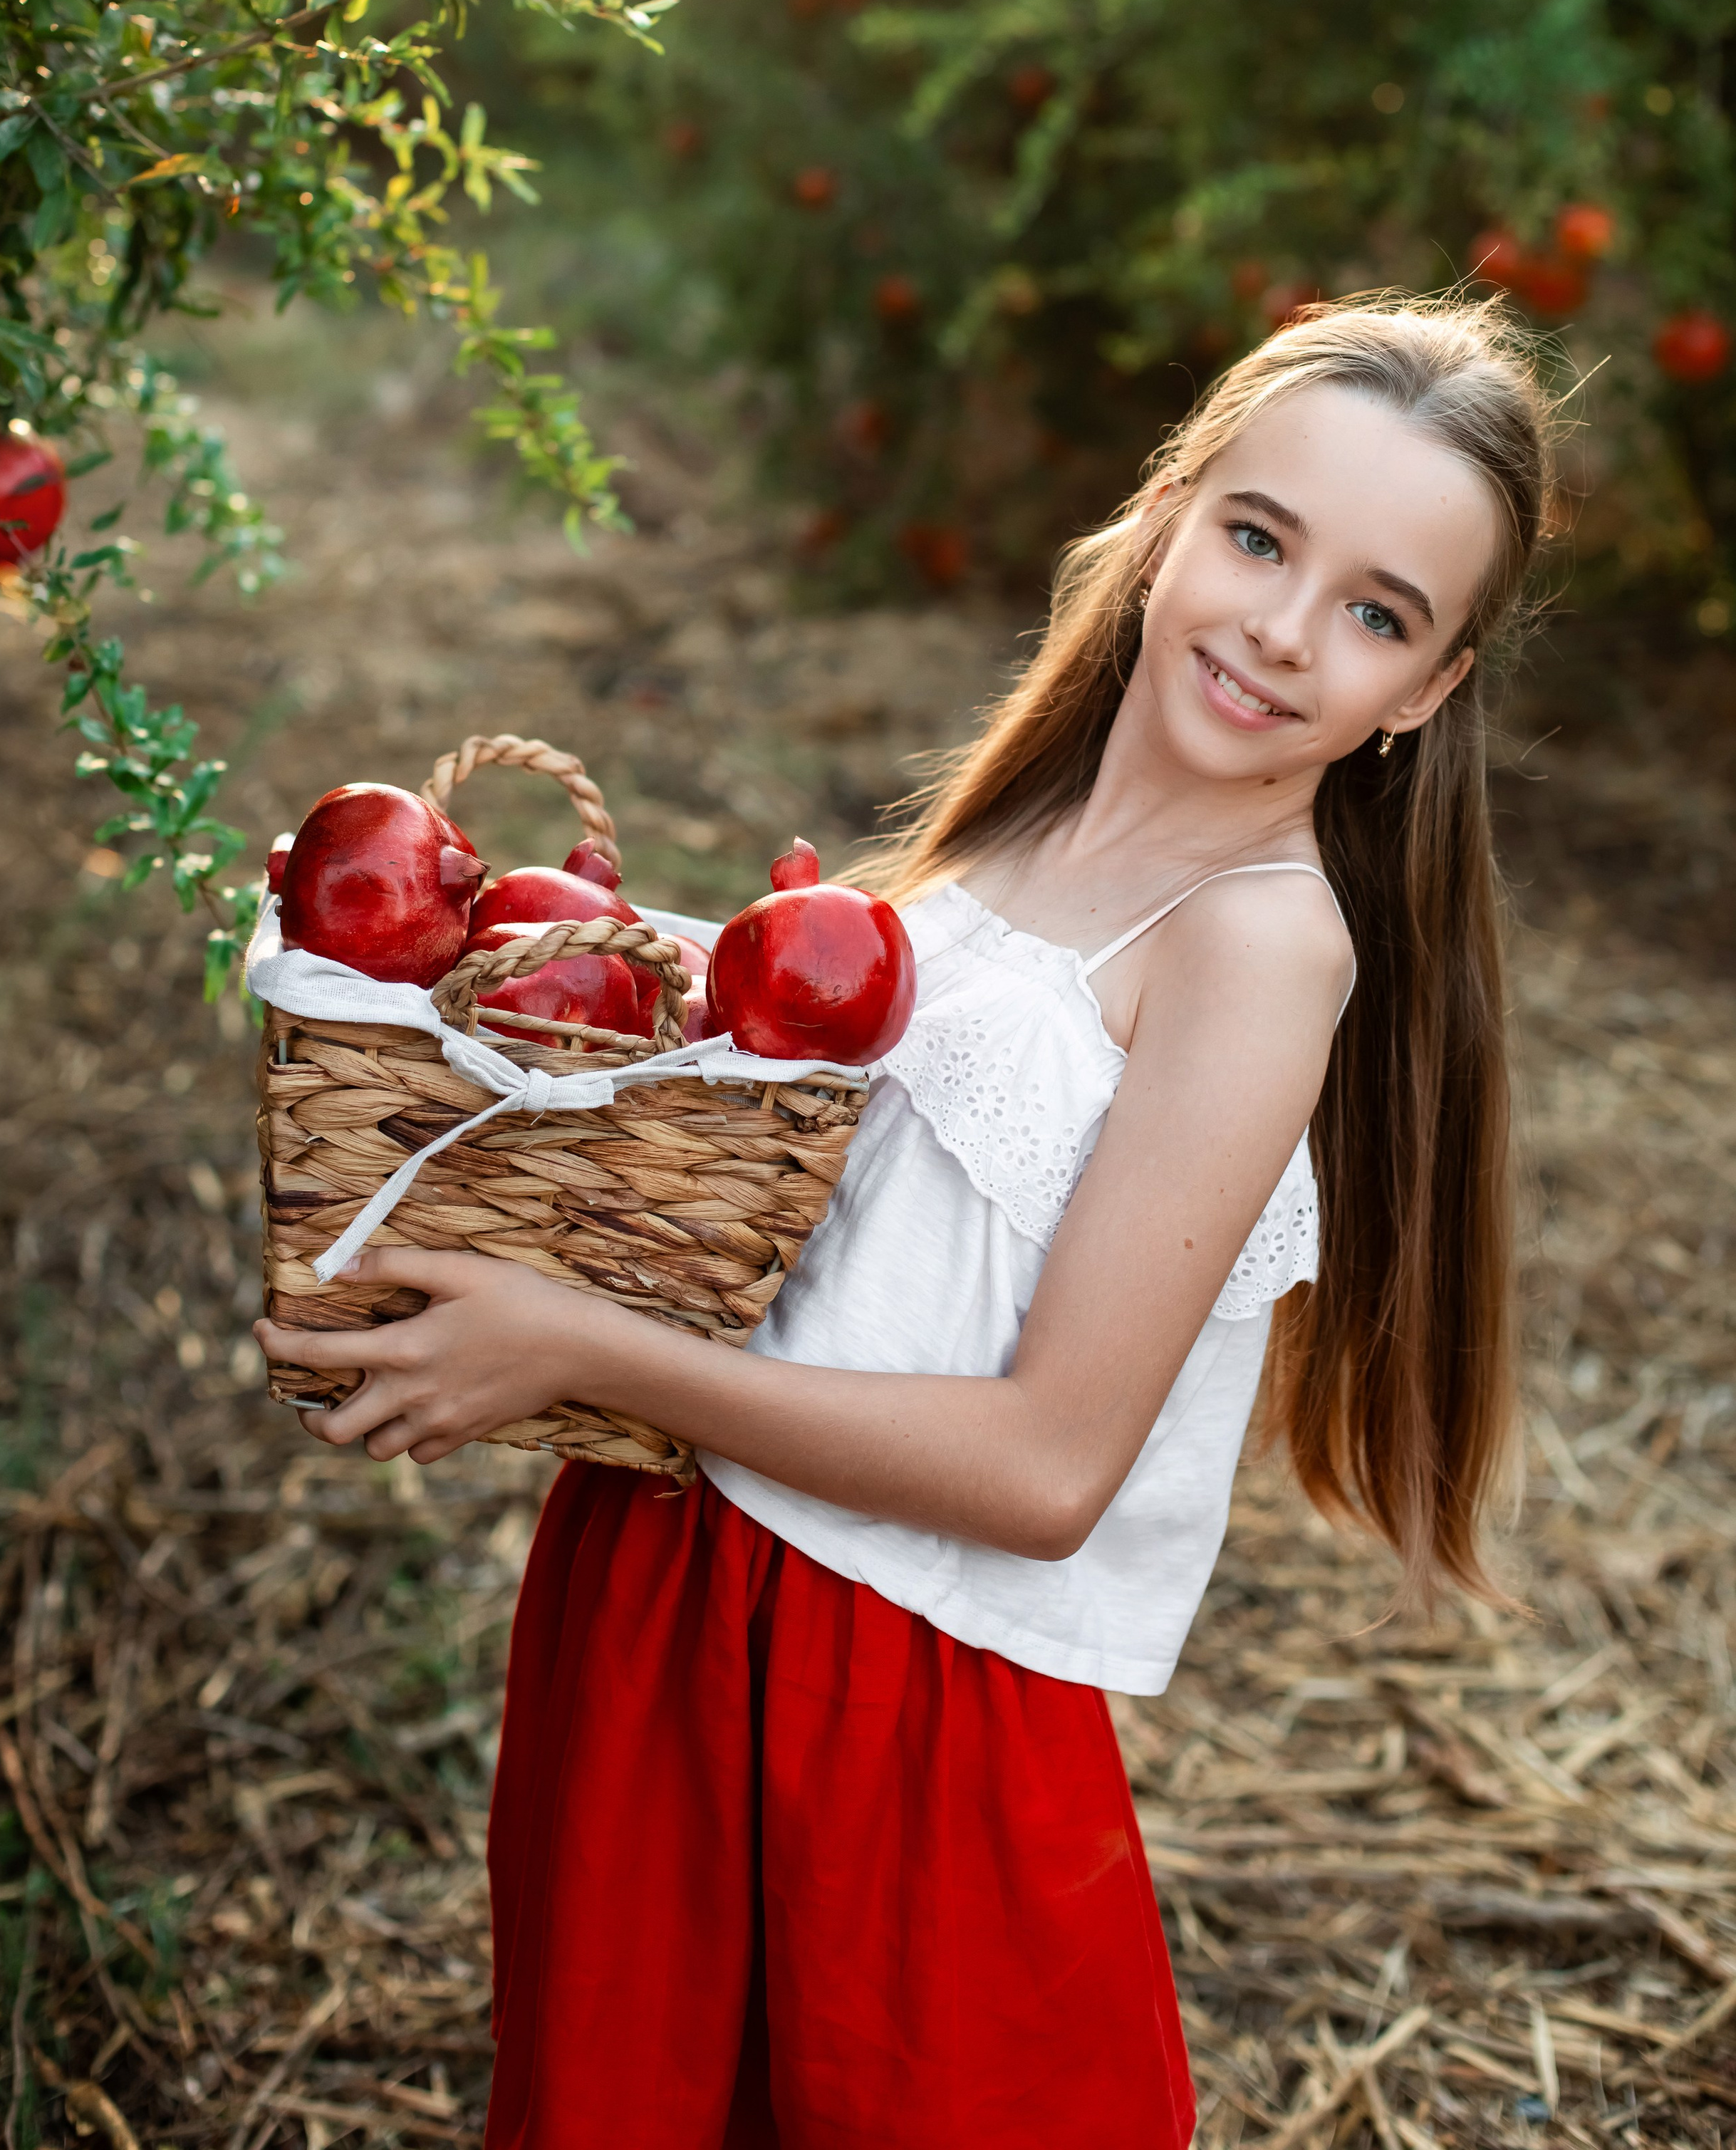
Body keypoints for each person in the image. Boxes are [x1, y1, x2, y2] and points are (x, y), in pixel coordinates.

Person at [256, 299, 1556, 2150]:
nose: (1281, 625)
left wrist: (577, 1349)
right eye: (1260, 537)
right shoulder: (1006, 835)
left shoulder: (1259, 941)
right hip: (668, 1591)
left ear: (1425, 691)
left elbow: (1047, 1466)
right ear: (1172, 513)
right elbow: (831, 1183)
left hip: (896, 1697)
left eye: (1377, 610)